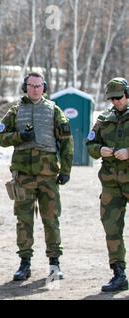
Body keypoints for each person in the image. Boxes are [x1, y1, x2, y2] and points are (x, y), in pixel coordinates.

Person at [0, 72, 73, 281]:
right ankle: (24, 263)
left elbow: (66, 141)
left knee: (51, 220)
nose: (35, 89)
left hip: (48, 177)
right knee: (24, 221)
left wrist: (66, 170)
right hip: (23, 177)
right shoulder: (14, 111)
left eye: (39, 86)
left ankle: (55, 263)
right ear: (25, 87)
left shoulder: (54, 111)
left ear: (44, 87)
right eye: (31, 85)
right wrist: (20, 136)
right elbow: (1, 137)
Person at [86, 77, 129, 292]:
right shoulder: (104, 118)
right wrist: (98, 150)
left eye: (119, 97)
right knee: (112, 228)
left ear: (127, 94)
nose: (115, 102)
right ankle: (119, 274)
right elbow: (90, 143)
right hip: (111, 184)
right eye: (112, 99)